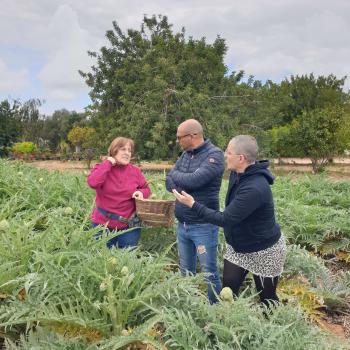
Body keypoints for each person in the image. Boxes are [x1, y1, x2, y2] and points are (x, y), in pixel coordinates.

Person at [173, 135, 286, 308]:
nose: (225, 155)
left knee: (267, 299)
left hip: (264, 250)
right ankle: (227, 327)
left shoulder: (255, 188)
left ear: (241, 158)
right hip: (238, 248)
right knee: (227, 292)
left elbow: (225, 219)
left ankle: (273, 328)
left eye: (229, 152)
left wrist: (193, 204)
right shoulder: (237, 173)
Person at [166, 119, 225, 303]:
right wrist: (178, 177)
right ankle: (190, 307)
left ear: (193, 136)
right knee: (186, 271)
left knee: (209, 272)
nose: (177, 141)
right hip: (183, 224)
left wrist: (176, 176)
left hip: (203, 225)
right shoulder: (185, 155)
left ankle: (215, 310)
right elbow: (169, 182)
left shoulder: (214, 155)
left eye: (179, 137)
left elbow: (194, 181)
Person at [87, 137, 151, 249]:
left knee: (126, 262)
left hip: (129, 227)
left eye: (129, 150)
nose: (127, 153)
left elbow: (147, 189)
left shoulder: (135, 171)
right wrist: (108, 162)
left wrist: (140, 193)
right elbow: (93, 183)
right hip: (102, 226)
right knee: (101, 261)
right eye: (123, 149)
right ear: (114, 150)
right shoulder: (101, 168)